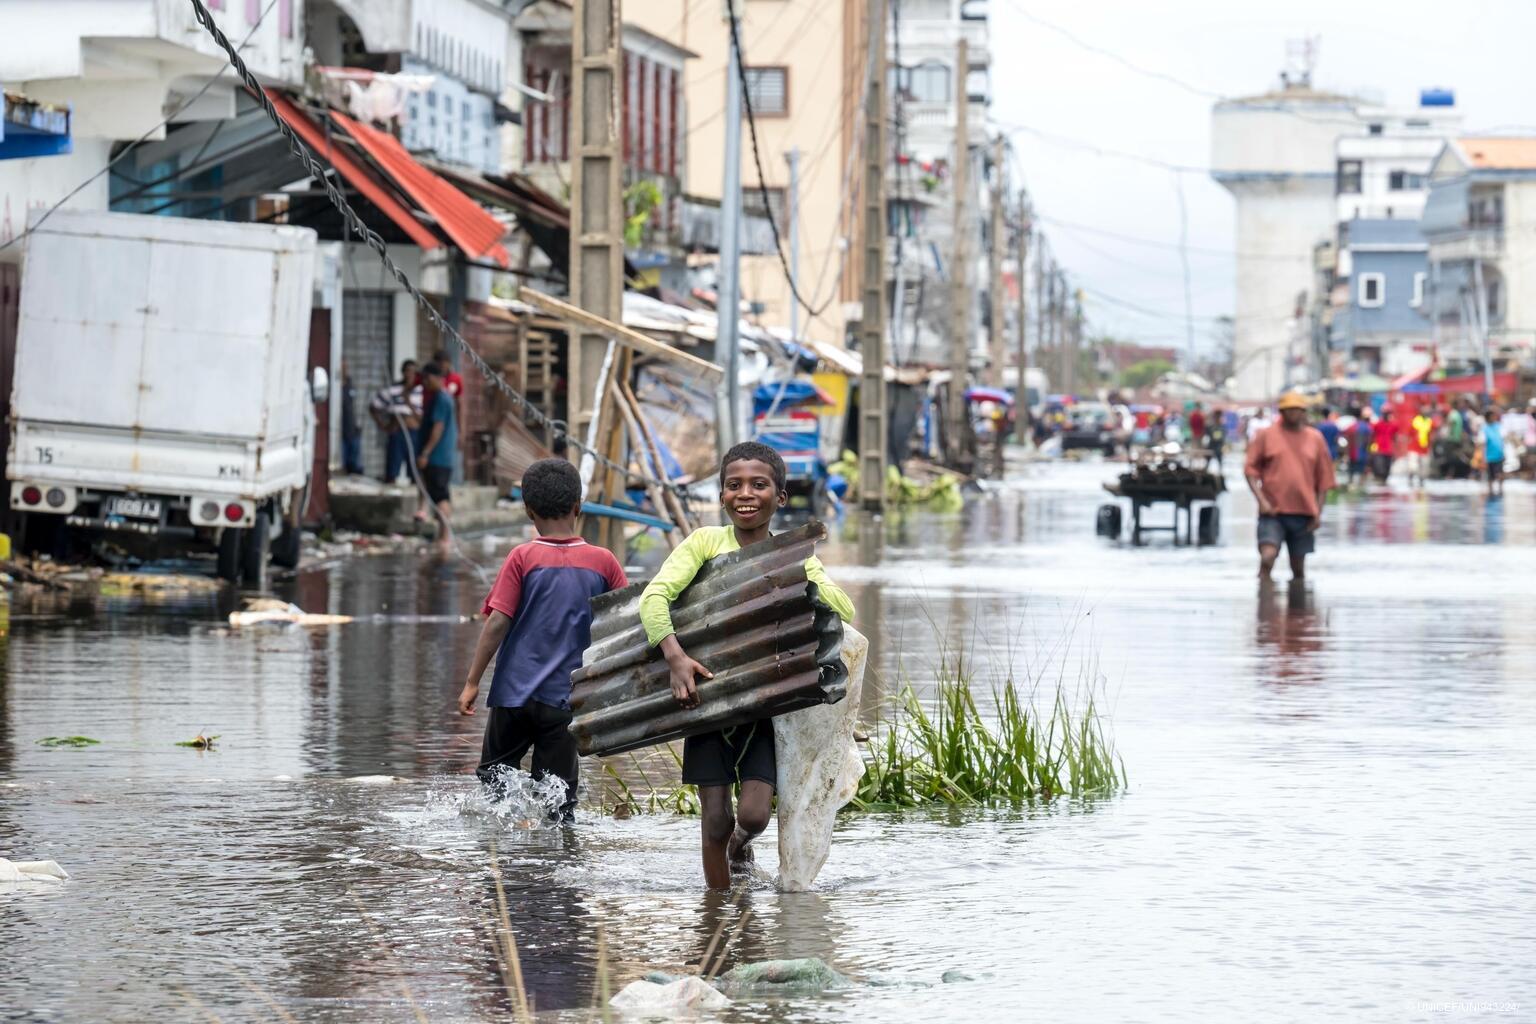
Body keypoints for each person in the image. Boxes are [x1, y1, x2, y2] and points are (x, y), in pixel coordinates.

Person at [638, 441, 855, 890]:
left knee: (753, 815)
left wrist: (793, 576)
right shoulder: (705, 543)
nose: (745, 494)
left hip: (762, 706)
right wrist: (676, 659)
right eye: (733, 485)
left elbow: (843, 609)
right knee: (714, 820)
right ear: (721, 496)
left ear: (780, 497)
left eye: (759, 485)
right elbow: (654, 597)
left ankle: (742, 846)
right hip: (707, 700)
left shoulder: (792, 553)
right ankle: (716, 913)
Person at [458, 459, 628, 822]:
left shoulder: (522, 557)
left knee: (495, 784)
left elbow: (496, 623)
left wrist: (473, 681)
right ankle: (550, 865)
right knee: (558, 801)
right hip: (565, 699)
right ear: (578, 507)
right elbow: (625, 625)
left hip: (512, 695)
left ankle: (504, 859)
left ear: (528, 510)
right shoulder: (604, 562)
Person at [1245, 392, 1337, 581]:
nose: (1294, 414)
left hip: (1303, 512)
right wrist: (1261, 501)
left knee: (1298, 568)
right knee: (1268, 557)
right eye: (1290, 410)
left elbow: (1324, 480)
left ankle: (1298, 608)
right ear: (1282, 412)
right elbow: (1250, 470)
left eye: (1298, 410)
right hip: (1273, 511)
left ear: (1304, 413)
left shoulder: (1315, 439)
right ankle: (1264, 601)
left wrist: (1318, 512)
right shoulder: (1266, 436)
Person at [415, 362, 459, 551]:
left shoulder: (441, 399)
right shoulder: (444, 398)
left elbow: (438, 428)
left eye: (427, 378)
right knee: (438, 494)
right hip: (443, 457)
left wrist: (426, 452)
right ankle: (442, 536)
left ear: (435, 378)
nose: (424, 382)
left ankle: (445, 537)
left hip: (437, 457)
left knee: (441, 497)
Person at [370, 359, 421, 483]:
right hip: (397, 432)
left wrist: (408, 402)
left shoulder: (421, 391)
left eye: (413, 372)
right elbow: (374, 407)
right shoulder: (393, 389)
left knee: (415, 471)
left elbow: (423, 416)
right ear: (403, 372)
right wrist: (382, 425)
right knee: (392, 470)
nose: (410, 375)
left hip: (414, 433)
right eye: (407, 371)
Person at [340, 362, 364, 475]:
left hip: (352, 428)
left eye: (345, 367)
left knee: (354, 462)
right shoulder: (336, 386)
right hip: (339, 429)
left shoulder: (350, 383)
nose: (344, 370)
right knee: (342, 460)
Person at [1406, 405, 1435, 490]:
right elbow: (1409, 434)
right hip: (1414, 448)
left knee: (1424, 468)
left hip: (1424, 448)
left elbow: (1432, 433)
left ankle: (1421, 482)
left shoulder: (1429, 422)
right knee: (1413, 467)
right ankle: (1410, 478)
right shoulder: (1415, 421)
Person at [1481, 405, 1506, 497]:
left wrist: (1504, 452)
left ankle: (1500, 490)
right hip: (1489, 455)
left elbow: (1503, 440)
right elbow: (1483, 444)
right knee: (1490, 475)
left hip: (1499, 454)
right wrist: (1483, 458)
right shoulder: (1484, 428)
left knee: (1500, 473)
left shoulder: (1499, 426)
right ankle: (1491, 491)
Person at [1370, 407, 1400, 483]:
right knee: (1379, 465)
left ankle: (1383, 479)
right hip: (1379, 448)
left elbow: (1395, 435)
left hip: (1388, 449)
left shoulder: (1393, 425)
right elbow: (1372, 433)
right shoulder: (1378, 424)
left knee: (1387, 466)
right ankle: (1379, 478)